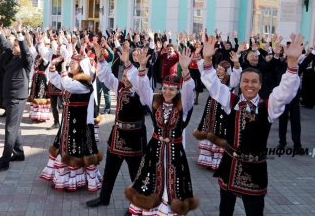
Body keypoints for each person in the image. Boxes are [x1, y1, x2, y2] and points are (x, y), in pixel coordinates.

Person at [199, 34, 303, 216]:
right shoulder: (231, 101)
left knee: (254, 212)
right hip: (229, 166)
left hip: (254, 172)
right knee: (225, 211)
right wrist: (207, 59)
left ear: (260, 85)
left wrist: (292, 65)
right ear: (240, 83)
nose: (249, 85)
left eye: (254, 82)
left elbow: (285, 93)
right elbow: (214, 86)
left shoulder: (267, 107)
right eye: (245, 81)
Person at [122, 43, 199, 216]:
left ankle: (167, 211)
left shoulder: (182, 105)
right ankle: (146, 209)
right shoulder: (155, 101)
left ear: (177, 90)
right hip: (154, 150)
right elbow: (143, 88)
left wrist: (185, 71)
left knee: (173, 182)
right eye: (165, 88)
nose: (167, 92)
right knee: (149, 179)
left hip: (175, 152)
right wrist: (142, 67)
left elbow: (188, 91)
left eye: (172, 89)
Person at [86, 41, 147, 208]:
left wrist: (130, 64)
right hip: (117, 136)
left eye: (128, 77)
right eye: (124, 76)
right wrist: (100, 58)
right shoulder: (119, 87)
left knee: (136, 173)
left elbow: (140, 82)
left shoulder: (140, 92)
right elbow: (106, 77)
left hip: (134, 139)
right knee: (110, 170)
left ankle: (140, 204)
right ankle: (104, 198)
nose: (125, 79)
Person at [40, 53, 102, 192]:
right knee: (65, 147)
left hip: (79, 124)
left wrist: (62, 69)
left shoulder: (85, 82)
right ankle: (66, 179)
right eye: (71, 63)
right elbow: (57, 81)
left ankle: (76, 180)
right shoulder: (72, 79)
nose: (70, 65)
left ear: (80, 66)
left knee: (76, 149)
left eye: (73, 63)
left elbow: (67, 85)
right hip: (68, 122)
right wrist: (52, 65)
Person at [0, 20, 33, 172]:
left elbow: (25, 50)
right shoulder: (12, 56)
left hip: (17, 98)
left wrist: (19, 34)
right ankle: (19, 153)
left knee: (10, 129)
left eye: (16, 45)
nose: (13, 46)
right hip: (8, 96)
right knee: (15, 127)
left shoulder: (26, 60)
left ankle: (4, 161)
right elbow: (5, 45)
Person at [193, 57, 241, 170]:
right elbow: (204, 73)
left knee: (220, 132)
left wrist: (236, 64)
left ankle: (219, 161)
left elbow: (236, 77)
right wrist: (200, 59)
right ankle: (207, 159)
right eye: (218, 68)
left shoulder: (230, 82)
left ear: (226, 71)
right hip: (212, 108)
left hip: (223, 110)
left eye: (221, 69)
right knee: (209, 128)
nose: (218, 70)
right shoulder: (215, 79)